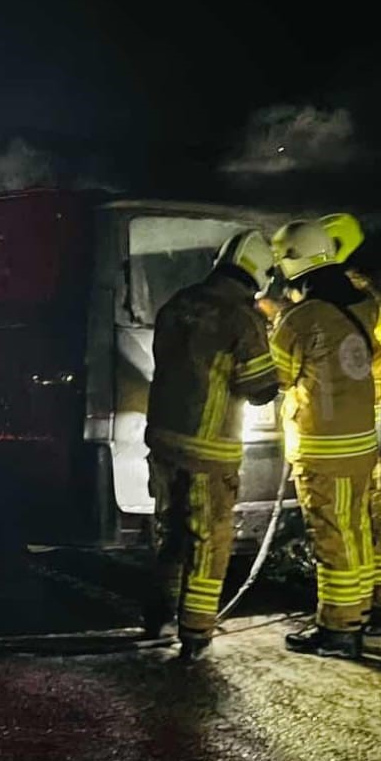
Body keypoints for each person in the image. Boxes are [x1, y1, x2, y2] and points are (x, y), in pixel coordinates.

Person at [269, 219, 381, 660]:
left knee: (333, 535)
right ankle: (364, 613)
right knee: (358, 529)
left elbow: (277, 377)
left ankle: (340, 629)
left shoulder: (300, 316)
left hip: (321, 446)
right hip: (359, 443)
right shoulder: (366, 302)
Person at [145, 228, 278, 660]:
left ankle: (158, 611)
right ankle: (196, 632)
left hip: (164, 440)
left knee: (169, 530)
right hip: (209, 451)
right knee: (209, 538)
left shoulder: (178, 303)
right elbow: (259, 388)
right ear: (259, 273)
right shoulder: (243, 318)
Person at [322, 212, 381, 634]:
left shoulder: (378, 288)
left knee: (378, 513)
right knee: (361, 516)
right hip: (360, 422)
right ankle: (366, 607)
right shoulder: (351, 289)